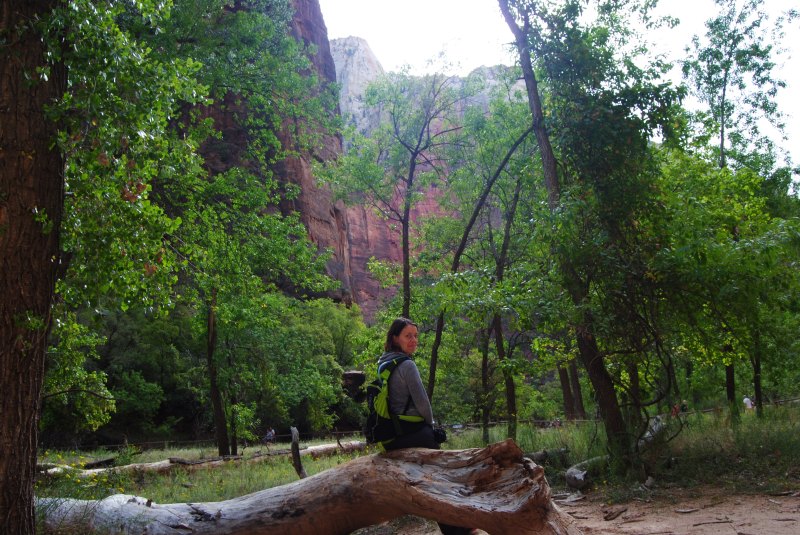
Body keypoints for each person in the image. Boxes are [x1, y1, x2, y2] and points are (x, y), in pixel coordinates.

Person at [377, 318, 473, 535]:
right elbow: (423, 404)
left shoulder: (383, 363)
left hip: (390, 436)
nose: (413, 340)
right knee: (440, 478)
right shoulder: (406, 365)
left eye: (415, 336)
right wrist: (432, 428)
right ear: (395, 338)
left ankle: (455, 528)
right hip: (411, 434)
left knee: (431, 482)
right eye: (407, 336)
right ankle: (458, 530)